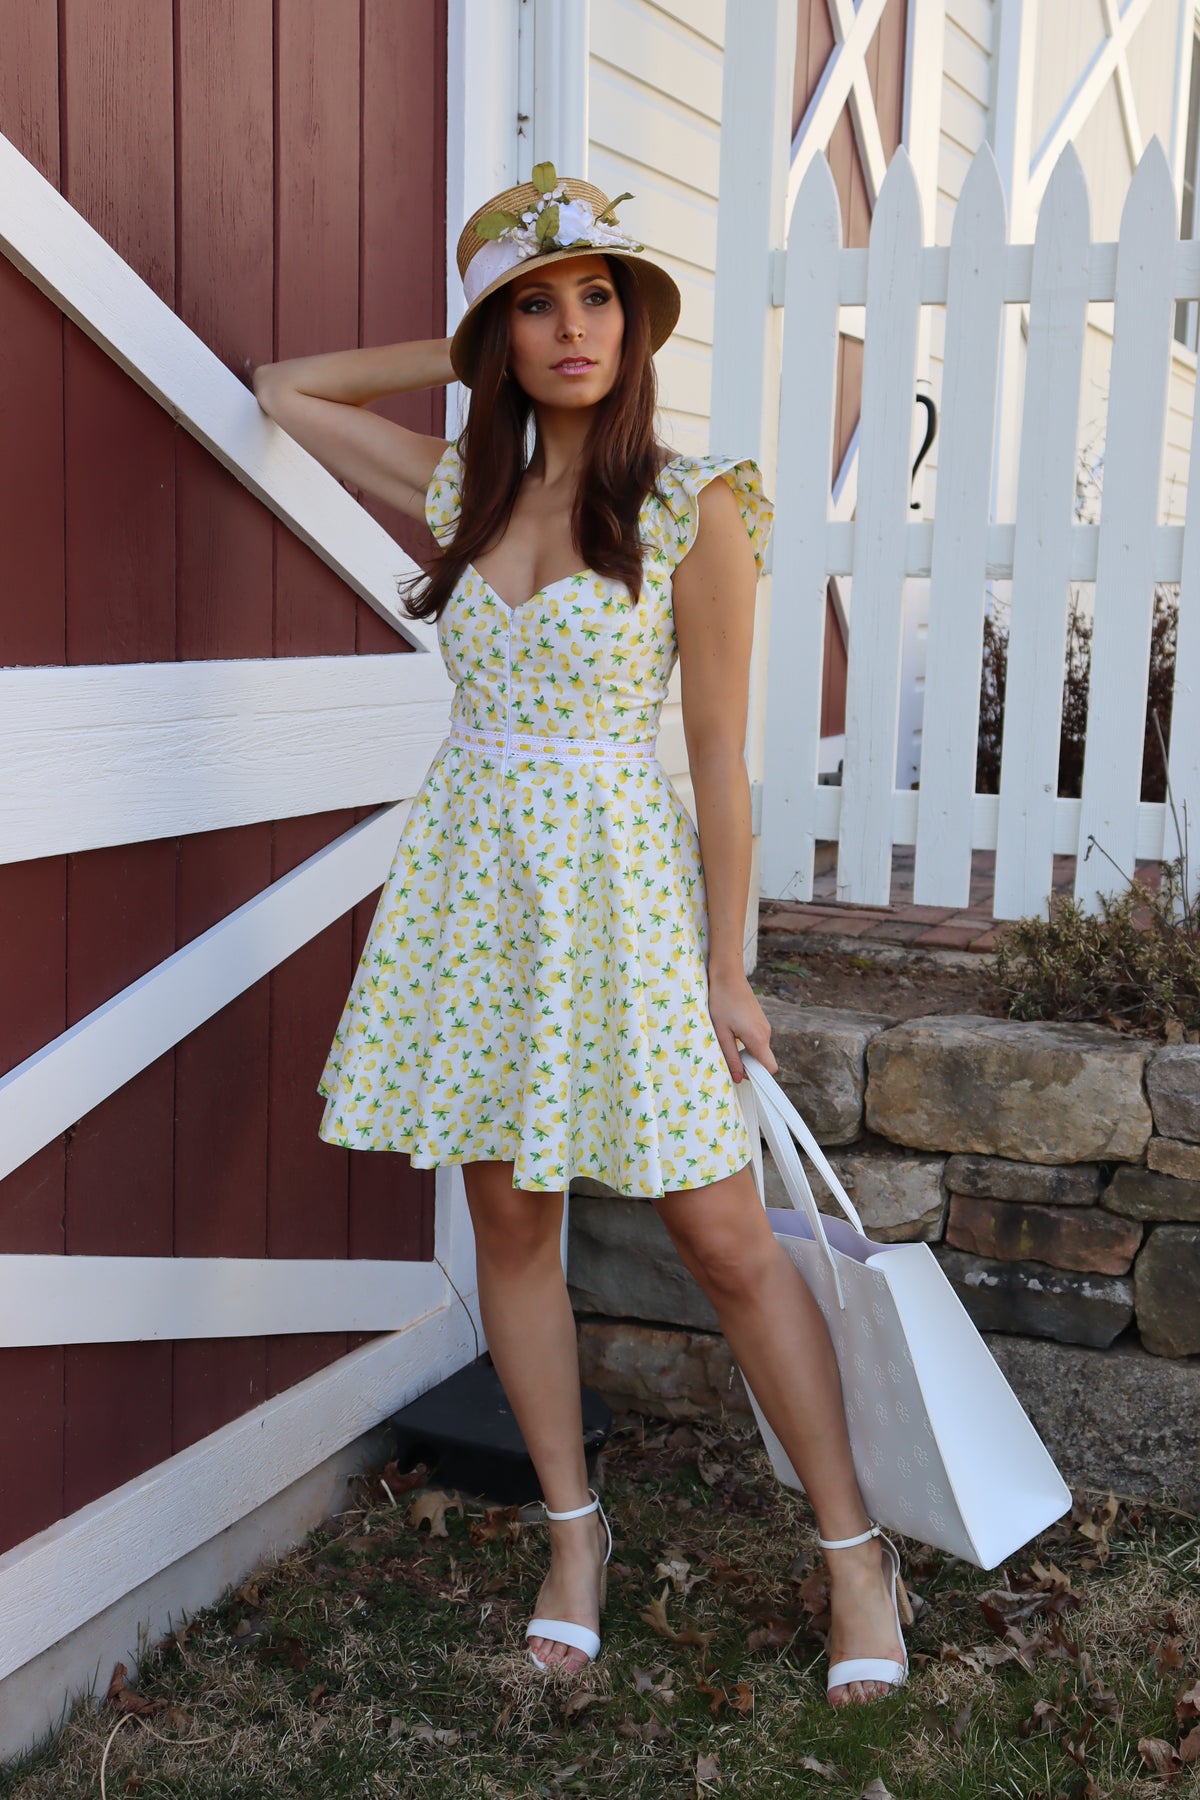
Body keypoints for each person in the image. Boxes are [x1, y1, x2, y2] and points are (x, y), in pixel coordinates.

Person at [251, 168, 908, 1708]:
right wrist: (460, 343)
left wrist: (728, 970)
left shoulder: (698, 504)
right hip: (476, 902)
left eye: (594, 295)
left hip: (622, 899)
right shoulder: (456, 490)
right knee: (514, 1229)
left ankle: (853, 1553)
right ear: (502, 337)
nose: (571, 328)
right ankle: (571, 1537)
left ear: (633, 322)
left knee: (728, 1240)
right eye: (535, 306)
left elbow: (722, 757)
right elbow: (282, 391)